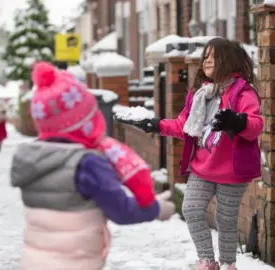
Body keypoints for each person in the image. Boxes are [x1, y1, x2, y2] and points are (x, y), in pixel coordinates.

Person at [10, 62, 176, 270]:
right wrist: (156, 209)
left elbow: (74, 205)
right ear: (83, 121)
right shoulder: (88, 163)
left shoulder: (32, 160)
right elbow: (121, 210)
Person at [128, 38, 263, 270]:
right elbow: (184, 126)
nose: (207, 61)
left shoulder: (243, 92)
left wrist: (237, 121)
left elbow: (256, 125)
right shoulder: (200, 94)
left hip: (232, 170)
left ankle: (229, 264)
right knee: (190, 209)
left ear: (229, 61)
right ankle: (207, 262)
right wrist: (155, 124)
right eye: (206, 57)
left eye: (214, 56)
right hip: (203, 167)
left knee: (226, 220)